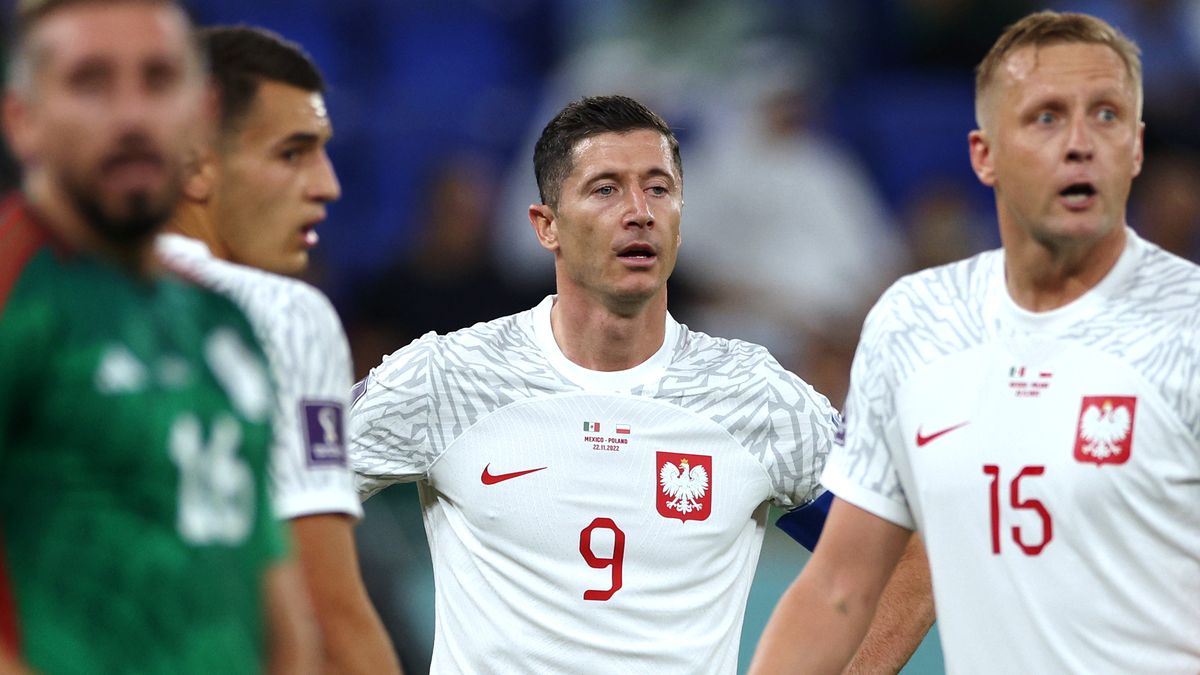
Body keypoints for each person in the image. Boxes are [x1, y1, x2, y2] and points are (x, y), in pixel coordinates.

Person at [349, 94, 933, 673]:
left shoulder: (754, 396)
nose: (640, 211)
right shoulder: (448, 376)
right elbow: (280, 488)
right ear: (546, 226)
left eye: (658, 188)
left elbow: (915, 552)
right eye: (606, 189)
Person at [750, 10, 1200, 674]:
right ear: (984, 154)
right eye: (1045, 117)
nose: (1078, 143)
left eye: (1104, 116)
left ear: (1134, 148)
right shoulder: (916, 320)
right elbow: (846, 582)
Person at [0, 1, 314, 673]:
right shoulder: (14, 298)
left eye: (158, 79)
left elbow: (269, 588)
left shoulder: (221, 323)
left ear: (200, 116)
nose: (132, 115)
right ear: (22, 120)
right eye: (91, 82)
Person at [156, 25, 401, 675]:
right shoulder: (281, 314)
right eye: (293, 153)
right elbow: (331, 612)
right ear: (197, 162)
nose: (328, 186)